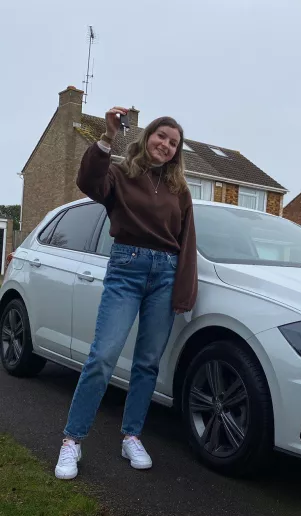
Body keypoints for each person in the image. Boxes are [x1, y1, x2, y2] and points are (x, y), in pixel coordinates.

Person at [54, 107, 198, 480]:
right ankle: (72, 440)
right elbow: (88, 182)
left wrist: (184, 289)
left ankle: (131, 435)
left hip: (165, 275)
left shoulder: (178, 189)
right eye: (161, 137)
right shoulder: (119, 173)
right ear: (148, 135)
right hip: (127, 269)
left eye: (173, 143)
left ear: (176, 151)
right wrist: (107, 137)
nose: (165, 145)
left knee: (148, 362)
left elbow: (186, 241)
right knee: (103, 356)